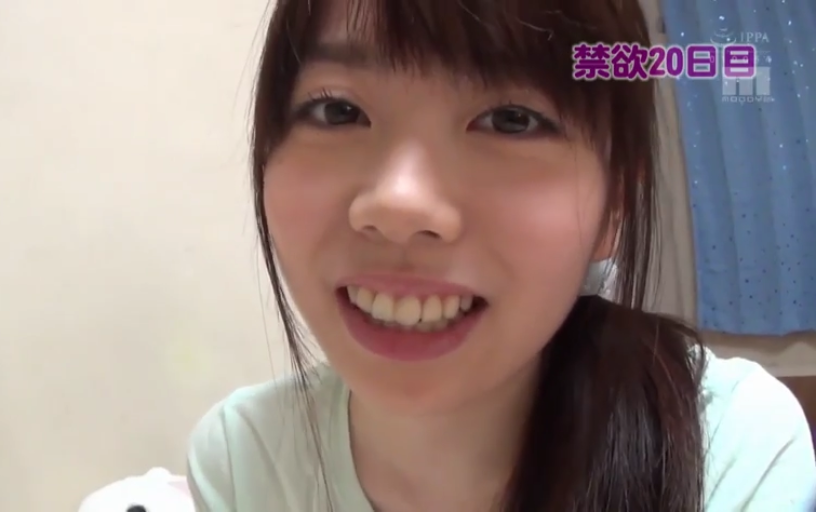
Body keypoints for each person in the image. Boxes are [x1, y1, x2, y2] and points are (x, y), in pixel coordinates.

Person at [186, 0, 816, 510]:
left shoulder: (728, 449)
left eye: (512, 120)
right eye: (338, 110)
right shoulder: (246, 459)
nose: (399, 205)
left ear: (615, 205)